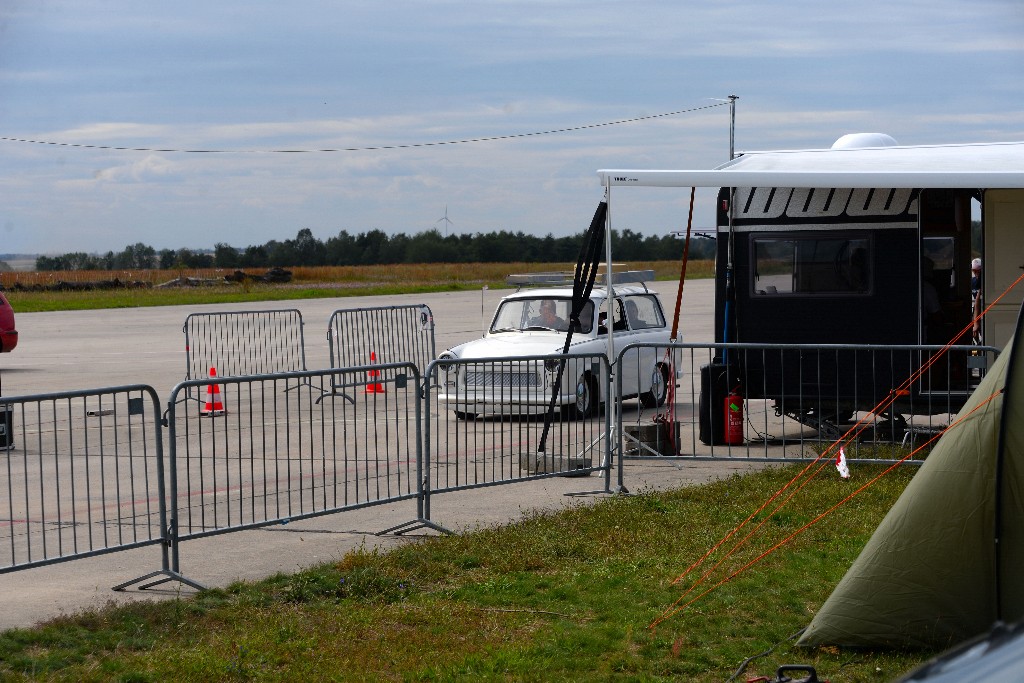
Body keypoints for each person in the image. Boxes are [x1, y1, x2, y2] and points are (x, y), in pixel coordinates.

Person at [971, 257, 983, 344]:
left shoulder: (984, 281)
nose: (975, 273)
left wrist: (976, 322)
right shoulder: (973, 281)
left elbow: (978, 301)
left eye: (978, 271)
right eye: (973, 270)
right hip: (976, 312)